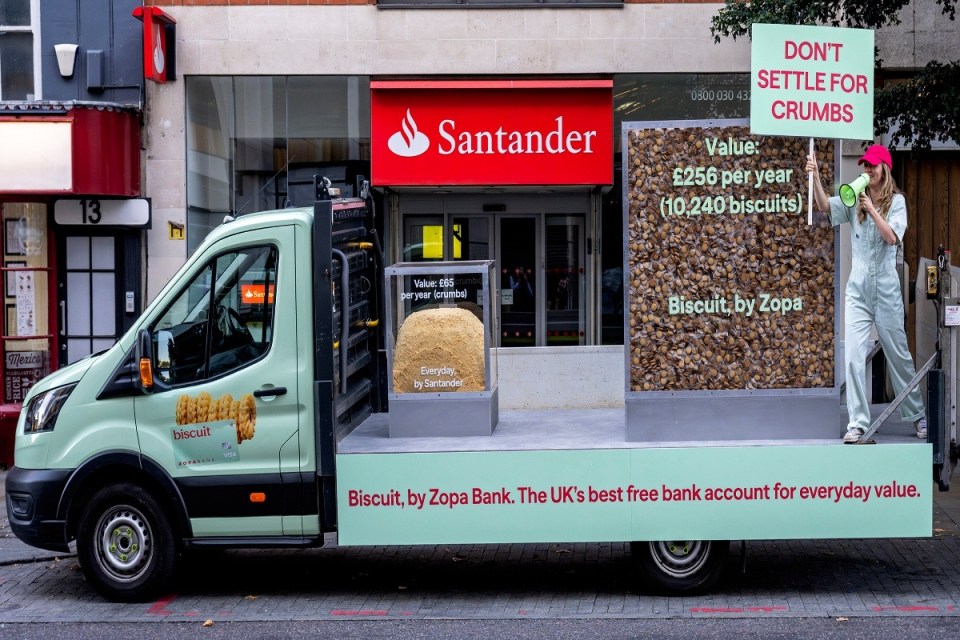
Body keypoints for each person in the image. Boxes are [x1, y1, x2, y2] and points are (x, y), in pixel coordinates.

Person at [805, 144, 926, 444]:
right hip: (858, 290)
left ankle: (917, 416)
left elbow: (891, 237)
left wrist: (872, 209)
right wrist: (816, 177)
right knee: (854, 356)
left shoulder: (897, 203)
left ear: (885, 169)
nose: (867, 171)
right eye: (865, 166)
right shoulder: (854, 198)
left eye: (872, 166)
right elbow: (824, 207)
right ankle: (858, 424)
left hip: (885, 289)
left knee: (899, 356)